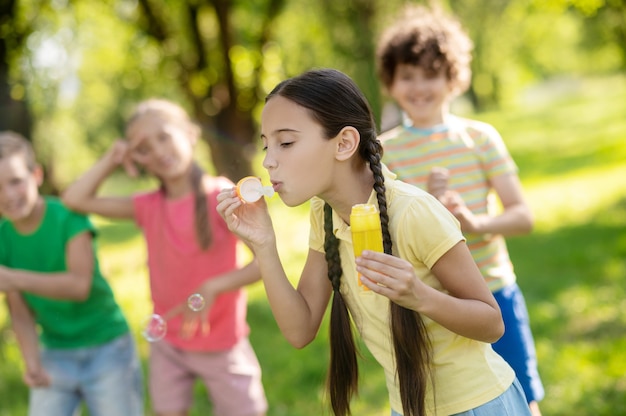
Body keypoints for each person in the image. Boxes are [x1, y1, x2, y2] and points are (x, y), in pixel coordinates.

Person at [216, 68, 531, 416]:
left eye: (286, 143)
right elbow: (300, 330)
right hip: (409, 408)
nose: (268, 160)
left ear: (344, 143)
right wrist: (263, 246)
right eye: (266, 145)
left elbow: (491, 323)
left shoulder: (413, 212)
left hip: (479, 405)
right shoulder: (325, 214)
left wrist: (419, 296)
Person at [375, 6, 544, 416]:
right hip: (428, 301)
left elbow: (522, 215)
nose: (419, 86)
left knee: (523, 400)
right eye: (407, 75)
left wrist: (475, 223)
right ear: (391, 83)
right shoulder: (383, 151)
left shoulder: (479, 138)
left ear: (453, 77)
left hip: (492, 290)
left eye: (430, 73)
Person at [62, 99, 268, 416]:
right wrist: (113, 158)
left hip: (222, 341)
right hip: (169, 342)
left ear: (189, 134)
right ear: (137, 159)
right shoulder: (146, 205)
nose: (157, 151)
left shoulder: (221, 195)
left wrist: (215, 286)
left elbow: (263, 262)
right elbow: (75, 199)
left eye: (164, 136)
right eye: (143, 148)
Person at [0, 130, 143, 416]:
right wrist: (32, 361)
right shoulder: (3, 237)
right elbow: (19, 309)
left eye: (15, 181)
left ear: (36, 175)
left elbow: (80, 285)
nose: (8, 195)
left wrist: (14, 279)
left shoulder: (68, 216)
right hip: (54, 353)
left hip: (108, 349)